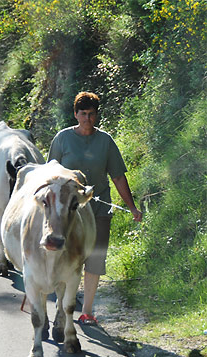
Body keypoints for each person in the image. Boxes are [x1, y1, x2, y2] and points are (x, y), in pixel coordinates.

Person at [48, 91, 142, 324]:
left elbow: (118, 177)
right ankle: (61, 306)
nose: (87, 118)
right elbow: (51, 174)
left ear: (97, 116)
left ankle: (87, 311)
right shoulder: (62, 139)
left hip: (99, 208)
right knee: (65, 256)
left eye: (91, 114)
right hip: (69, 212)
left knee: (96, 258)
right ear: (75, 114)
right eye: (83, 114)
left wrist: (132, 207)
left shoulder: (105, 141)